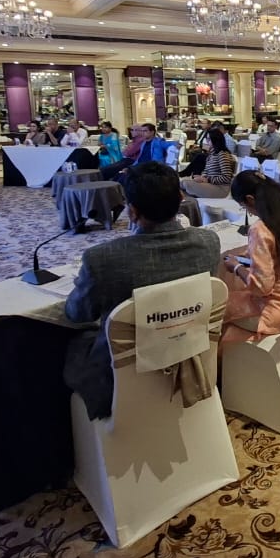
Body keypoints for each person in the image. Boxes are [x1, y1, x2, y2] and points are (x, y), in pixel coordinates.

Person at [63, 162, 220, 419]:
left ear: (132, 212)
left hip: (119, 376)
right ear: (181, 199)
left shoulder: (102, 259)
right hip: (188, 355)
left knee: (69, 344)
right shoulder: (209, 242)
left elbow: (76, 314)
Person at [219, 172, 280, 348]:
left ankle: (221, 358)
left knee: (217, 308)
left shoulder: (261, 229)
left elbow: (261, 288)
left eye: (243, 206)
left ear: (250, 200)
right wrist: (251, 256)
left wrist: (236, 267)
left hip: (276, 310)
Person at [182, 126, 237, 197]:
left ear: (215, 140)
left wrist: (207, 179)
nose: (207, 141)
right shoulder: (212, 154)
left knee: (185, 183)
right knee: (182, 184)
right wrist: (201, 177)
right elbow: (206, 171)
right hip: (211, 184)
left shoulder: (222, 154)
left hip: (220, 188)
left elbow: (226, 178)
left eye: (208, 139)